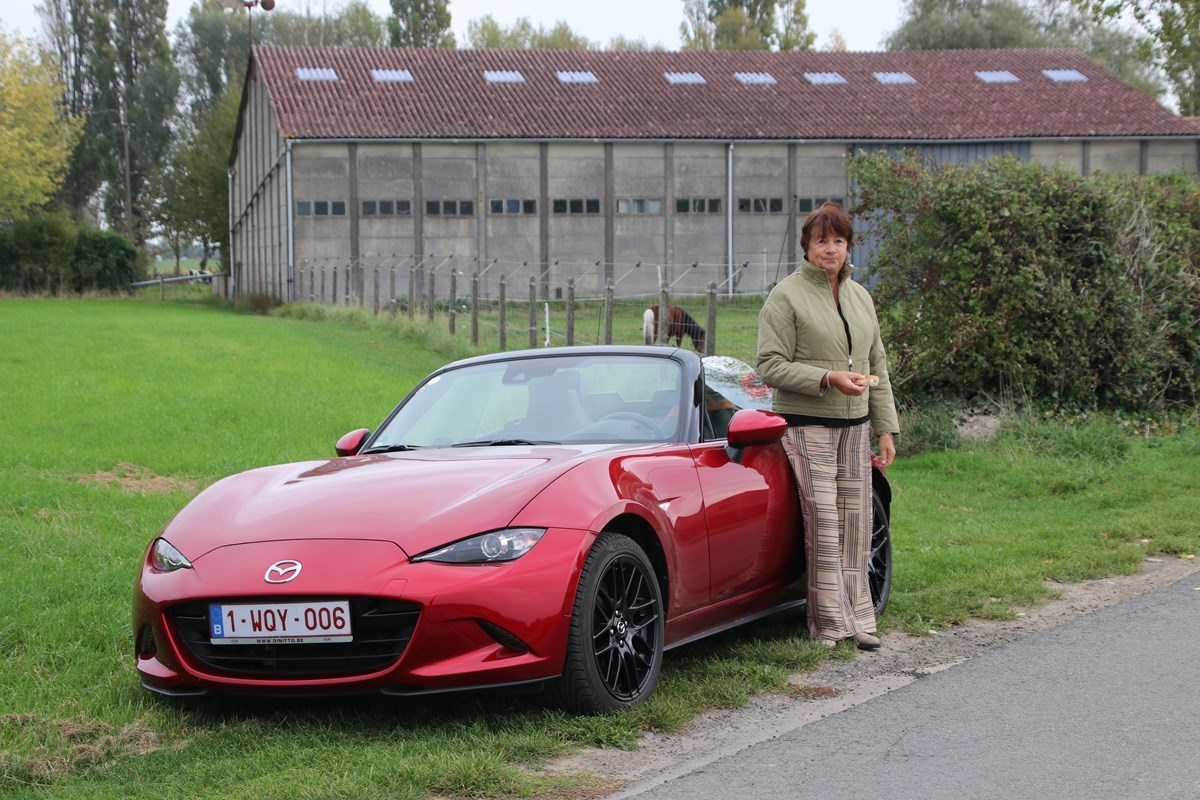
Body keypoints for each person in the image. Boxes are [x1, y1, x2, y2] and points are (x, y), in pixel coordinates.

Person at [756, 202, 899, 651]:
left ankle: (860, 619)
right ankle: (830, 624)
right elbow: (769, 365)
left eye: (838, 240)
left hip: (856, 427)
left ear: (849, 246)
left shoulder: (860, 297)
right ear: (807, 246)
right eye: (822, 241)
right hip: (807, 425)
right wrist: (826, 378)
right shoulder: (786, 296)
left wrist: (885, 428)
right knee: (825, 522)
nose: (831, 249)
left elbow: (877, 364)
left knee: (856, 523)